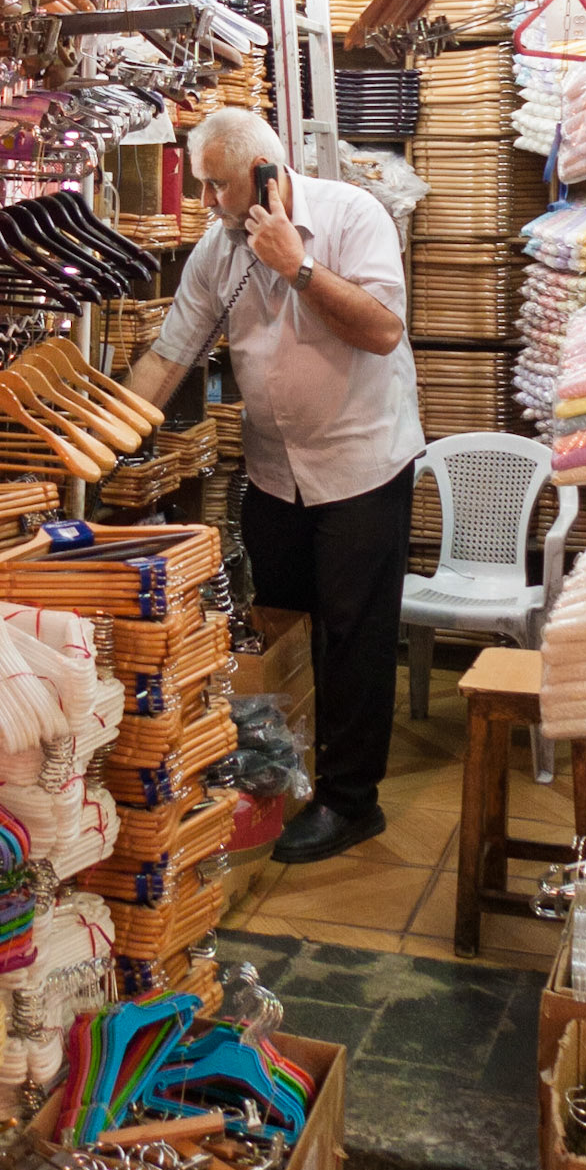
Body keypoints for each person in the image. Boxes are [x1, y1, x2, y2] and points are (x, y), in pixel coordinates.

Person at [126, 109, 424, 865]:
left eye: (216, 185)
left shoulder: (354, 216)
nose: (207, 201)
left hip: (361, 464)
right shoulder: (215, 251)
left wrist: (297, 265)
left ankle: (354, 802)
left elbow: (384, 330)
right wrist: (115, 436)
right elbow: (172, 351)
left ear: (265, 173)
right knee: (283, 626)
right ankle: (290, 775)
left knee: (354, 637)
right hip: (274, 471)